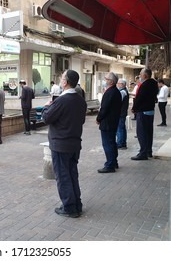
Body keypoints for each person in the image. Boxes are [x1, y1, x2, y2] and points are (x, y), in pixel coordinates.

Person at [42, 70, 87, 218]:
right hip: (74, 143)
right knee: (72, 174)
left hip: (61, 144)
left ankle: (69, 207)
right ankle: (76, 204)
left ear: (65, 82)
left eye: (62, 78)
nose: (61, 80)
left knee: (63, 176)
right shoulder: (80, 101)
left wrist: (47, 106)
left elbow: (47, 118)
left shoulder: (61, 101)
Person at [96, 72, 122, 173]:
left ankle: (110, 165)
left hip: (107, 122)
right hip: (113, 121)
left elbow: (104, 108)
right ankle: (113, 162)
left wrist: (99, 118)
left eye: (106, 79)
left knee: (107, 143)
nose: (104, 80)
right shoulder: (115, 91)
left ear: (111, 81)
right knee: (112, 142)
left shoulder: (110, 92)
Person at [131, 68, 159, 160]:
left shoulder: (145, 85)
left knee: (141, 132)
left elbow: (139, 98)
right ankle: (148, 151)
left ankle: (143, 153)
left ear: (145, 75)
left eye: (141, 74)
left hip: (143, 111)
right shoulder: (154, 84)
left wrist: (134, 108)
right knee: (148, 132)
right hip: (150, 110)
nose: (139, 75)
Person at [116, 78, 129, 149]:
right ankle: (123, 143)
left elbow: (118, 101)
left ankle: (120, 143)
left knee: (120, 129)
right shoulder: (124, 91)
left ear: (122, 84)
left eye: (118, 83)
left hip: (121, 113)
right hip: (122, 112)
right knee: (122, 128)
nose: (117, 85)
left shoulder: (122, 92)